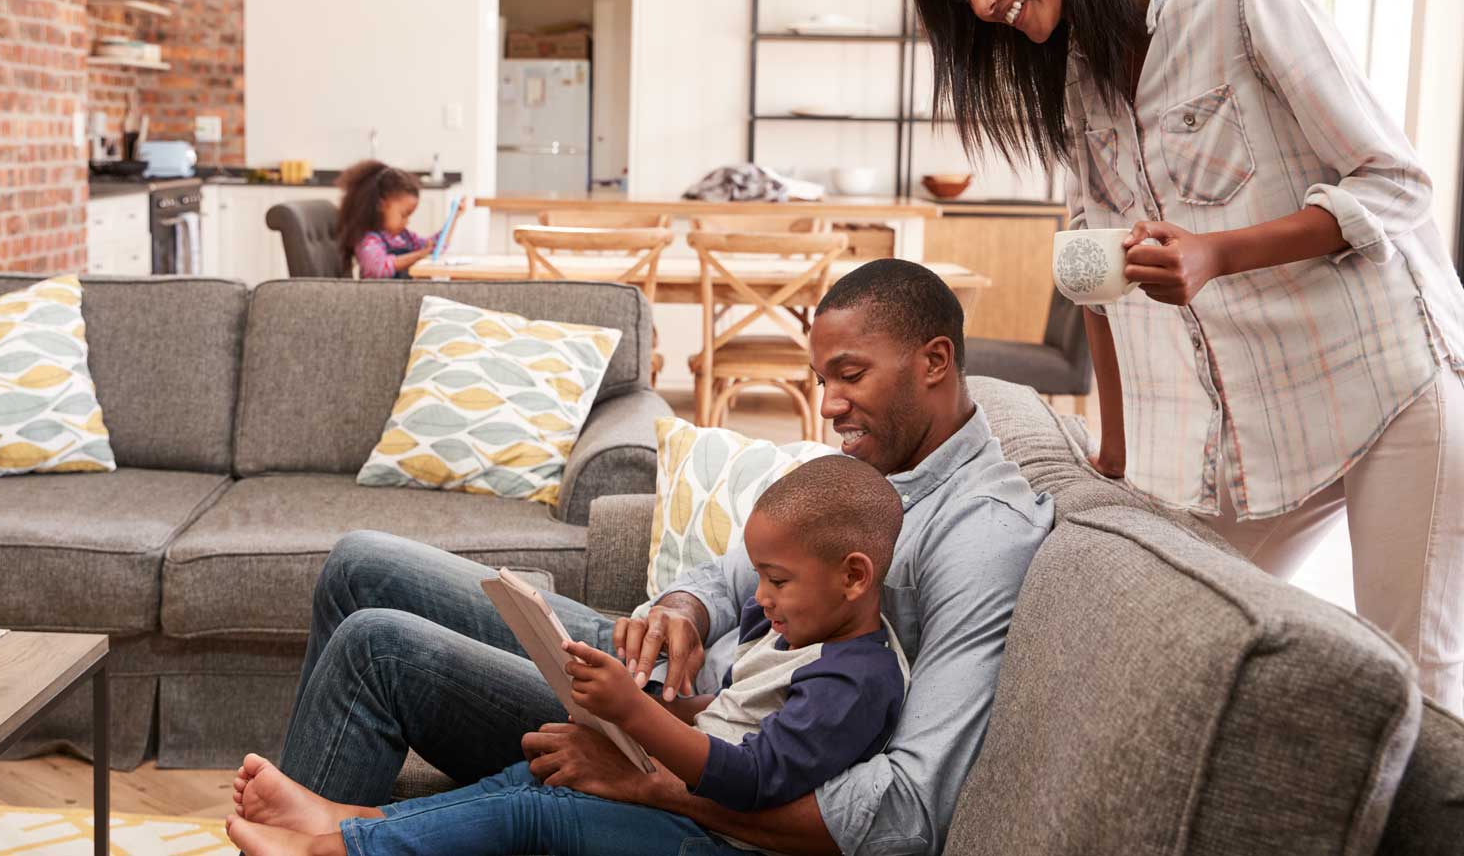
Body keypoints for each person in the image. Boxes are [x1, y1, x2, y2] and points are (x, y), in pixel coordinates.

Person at [909, 0, 1464, 710]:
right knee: (1178, 648)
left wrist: (1218, 253)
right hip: (1261, 423)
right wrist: (1114, 454)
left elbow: (1396, 183)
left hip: (1388, 382)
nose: (979, 5)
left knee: (1415, 681)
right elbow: (1093, 266)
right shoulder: (1081, 75)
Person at [244, 259, 1050, 856]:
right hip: (678, 697)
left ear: (935, 362)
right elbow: (728, 574)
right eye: (823, 379)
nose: (830, 405)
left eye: (850, 377)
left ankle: (325, 842)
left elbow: (906, 807)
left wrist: (660, 782)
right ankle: (330, 823)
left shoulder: (982, 532)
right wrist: (678, 612)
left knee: (378, 647)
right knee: (359, 561)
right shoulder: (875, 464)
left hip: (688, 746)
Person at [224, 455, 909, 856]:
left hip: (711, 840)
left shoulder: (853, 681)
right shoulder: (800, 628)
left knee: (534, 813)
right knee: (531, 775)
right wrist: (663, 703)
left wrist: (636, 714)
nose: (759, 596)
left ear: (853, 577)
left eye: (776, 581)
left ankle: (339, 847)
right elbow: (730, 708)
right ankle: (360, 822)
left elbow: (753, 777)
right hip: (679, 783)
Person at [336, 160, 430, 279]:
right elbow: (380, 268)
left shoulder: (402, 237)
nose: (406, 222)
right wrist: (418, 256)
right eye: (403, 214)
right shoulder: (367, 240)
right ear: (381, 205)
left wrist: (454, 218)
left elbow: (430, 246)